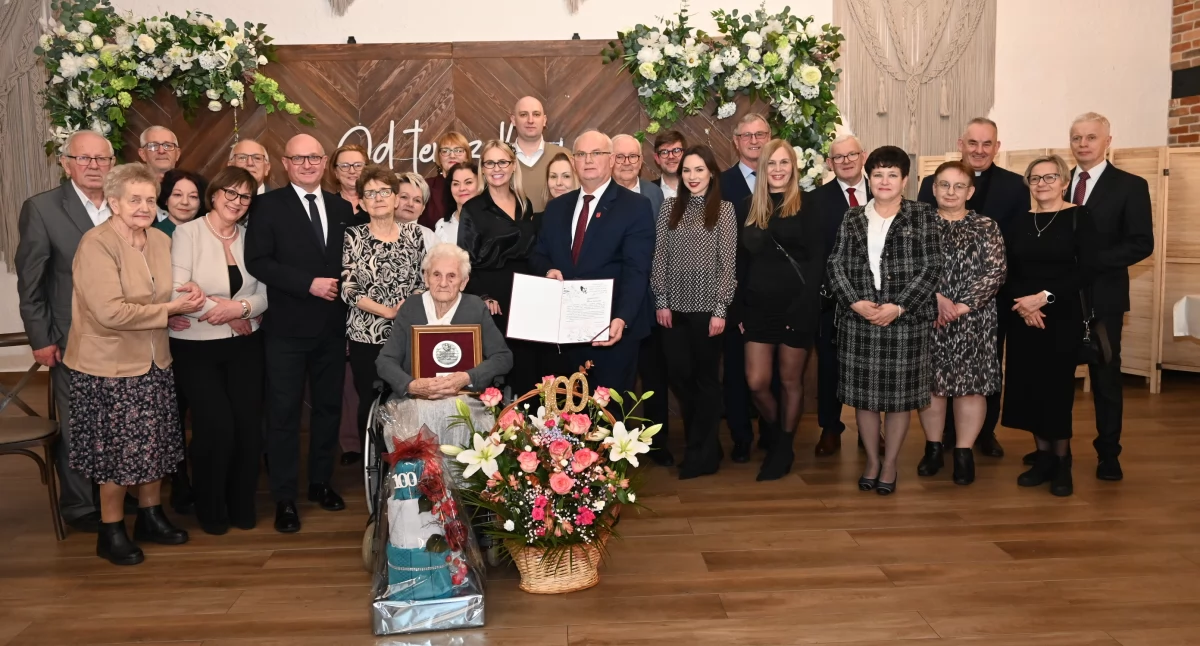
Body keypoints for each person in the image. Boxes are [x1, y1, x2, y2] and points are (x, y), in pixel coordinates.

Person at [64, 162, 205, 564]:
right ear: (113, 202)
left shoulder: (160, 241)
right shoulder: (96, 244)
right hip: (108, 368)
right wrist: (169, 309)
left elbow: (169, 290)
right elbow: (110, 311)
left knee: (155, 445)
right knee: (116, 454)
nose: (143, 207)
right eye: (134, 199)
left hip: (154, 361)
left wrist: (188, 292)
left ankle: (150, 515)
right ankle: (111, 531)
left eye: (148, 199)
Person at [244, 134, 354, 534]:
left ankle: (320, 483)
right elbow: (258, 261)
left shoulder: (343, 207)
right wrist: (306, 283)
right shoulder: (268, 205)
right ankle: (284, 497)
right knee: (284, 414)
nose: (307, 164)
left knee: (327, 409)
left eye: (314, 157)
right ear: (284, 163)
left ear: (325, 162)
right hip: (286, 330)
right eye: (298, 158)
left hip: (331, 328)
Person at [827, 145, 943, 496]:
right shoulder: (853, 217)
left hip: (905, 323)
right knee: (864, 398)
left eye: (892, 174)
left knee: (898, 399)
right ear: (869, 177)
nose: (884, 180)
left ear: (905, 180)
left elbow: (932, 267)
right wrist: (854, 302)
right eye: (878, 174)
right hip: (860, 320)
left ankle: (890, 464)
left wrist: (900, 306)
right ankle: (872, 461)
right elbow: (835, 264)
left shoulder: (923, 215)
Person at [16, 129, 113, 532]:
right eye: (84, 158)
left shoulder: (127, 205)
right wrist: (41, 339)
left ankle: (116, 498)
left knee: (115, 424)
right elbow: (31, 281)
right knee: (78, 426)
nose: (94, 166)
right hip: (69, 338)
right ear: (66, 163)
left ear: (112, 164)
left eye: (101, 159)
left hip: (123, 337)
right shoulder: (43, 209)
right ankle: (79, 506)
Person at [917, 117, 1028, 459]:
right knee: (933, 380)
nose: (979, 150)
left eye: (987, 144)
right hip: (932, 308)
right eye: (973, 143)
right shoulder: (928, 189)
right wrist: (935, 298)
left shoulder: (1015, 186)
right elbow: (916, 254)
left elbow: (1012, 250)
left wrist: (965, 303)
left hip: (988, 302)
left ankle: (984, 434)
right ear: (960, 143)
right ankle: (941, 439)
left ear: (997, 147)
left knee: (981, 376)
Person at [169, 167, 268, 534]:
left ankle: (241, 506)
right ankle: (210, 509)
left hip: (245, 344)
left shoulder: (251, 237)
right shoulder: (187, 233)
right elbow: (179, 290)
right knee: (215, 427)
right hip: (196, 347)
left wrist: (241, 310)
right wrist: (226, 312)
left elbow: (264, 292)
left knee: (247, 429)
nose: (237, 202)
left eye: (245, 197)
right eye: (231, 192)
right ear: (213, 194)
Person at [1057, 112, 1153, 482]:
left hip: (1104, 299)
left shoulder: (1130, 185)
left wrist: (1092, 262)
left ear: (1107, 141)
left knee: (1105, 378)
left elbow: (1142, 242)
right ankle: (1054, 449)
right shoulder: (1055, 182)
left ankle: (1108, 454)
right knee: (1057, 377)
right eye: (1076, 137)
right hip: (1060, 298)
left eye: (1091, 137)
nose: (1083, 144)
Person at [531, 130, 655, 393]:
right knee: (564, 418)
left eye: (596, 153)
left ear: (610, 160)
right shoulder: (556, 208)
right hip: (562, 333)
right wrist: (549, 269)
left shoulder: (635, 206)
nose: (588, 160)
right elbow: (538, 254)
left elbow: (637, 269)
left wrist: (622, 317)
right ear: (574, 161)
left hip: (611, 332)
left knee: (608, 419)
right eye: (581, 154)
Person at [1003, 155, 1099, 497]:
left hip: (1061, 318)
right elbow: (1007, 270)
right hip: (1024, 317)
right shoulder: (1018, 221)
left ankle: (1062, 462)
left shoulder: (1079, 216)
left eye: (1049, 177)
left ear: (1063, 181)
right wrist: (1024, 304)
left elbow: (1086, 270)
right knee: (1029, 388)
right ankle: (1042, 457)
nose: (1042, 184)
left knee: (1056, 391)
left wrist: (1043, 297)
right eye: (1035, 178)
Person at [915, 161, 1007, 486]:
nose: (950, 192)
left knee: (971, 388)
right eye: (944, 185)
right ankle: (934, 448)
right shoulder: (917, 225)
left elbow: (995, 271)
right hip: (929, 317)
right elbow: (909, 269)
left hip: (975, 319)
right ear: (933, 188)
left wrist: (962, 306)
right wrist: (936, 298)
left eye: (958, 186)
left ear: (970, 191)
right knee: (932, 387)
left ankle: (964, 453)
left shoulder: (986, 226)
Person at [739, 140, 824, 481]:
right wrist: (740, 310)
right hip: (758, 309)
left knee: (790, 382)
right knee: (756, 382)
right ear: (762, 168)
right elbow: (741, 263)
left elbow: (818, 261)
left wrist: (806, 308)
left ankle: (783, 447)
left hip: (796, 308)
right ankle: (778, 432)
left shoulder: (809, 205)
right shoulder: (748, 206)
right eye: (770, 163)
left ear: (793, 168)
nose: (777, 169)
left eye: (783, 163)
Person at [650, 144, 736, 479]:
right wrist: (662, 301)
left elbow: (727, 266)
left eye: (699, 170)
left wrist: (720, 309)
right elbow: (660, 259)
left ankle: (702, 454)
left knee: (706, 381)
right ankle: (707, 443)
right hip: (673, 311)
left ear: (711, 172)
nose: (692, 176)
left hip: (707, 312)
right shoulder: (669, 207)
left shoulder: (724, 210)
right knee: (680, 376)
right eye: (687, 171)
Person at [376, 243, 514, 445]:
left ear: (464, 281)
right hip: (414, 401)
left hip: (465, 399)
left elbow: (503, 357)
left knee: (455, 413)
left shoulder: (475, 307)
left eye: (452, 276)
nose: (443, 283)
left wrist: (467, 377)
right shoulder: (411, 307)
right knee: (419, 415)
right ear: (426, 278)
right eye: (436, 275)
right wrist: (412, 385)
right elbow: (385, 361)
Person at [342, 165, 428, 453]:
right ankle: (377, 459)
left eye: (384, 192)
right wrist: (388, 311)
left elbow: (422, 281)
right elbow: (348, 288)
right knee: (370, 401)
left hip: (407, 336)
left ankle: (407, 462)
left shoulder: (414, 235)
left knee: (407, 400)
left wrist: (409, 304)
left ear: (395, 199)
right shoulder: (352, 236)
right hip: (366, 336)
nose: (378, 198)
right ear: (362, 202)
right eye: (371, 193)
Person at [457, 140, 540, 393]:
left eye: (502, 161)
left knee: (528, 367)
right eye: (490, 163)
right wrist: (483, 296)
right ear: (482, 168)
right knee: (498, 369)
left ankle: (527, 429)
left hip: (526, 294)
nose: (497, 168)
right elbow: (465, 260)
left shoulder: (525, 204)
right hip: (493, 297)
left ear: (513, 166)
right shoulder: (473, 208)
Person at [809, 134, 869, 456]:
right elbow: (816, 254)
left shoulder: (883, 192)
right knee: (830, 367)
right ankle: (830, 428)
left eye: (852, 155)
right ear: (830, 163)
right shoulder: (815, 200)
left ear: (864, 156)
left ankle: (870, 431)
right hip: (831, 300)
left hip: (876, 300)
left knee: (870, 367)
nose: (846, 161)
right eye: (839, 157)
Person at [613, 134, 669, 463]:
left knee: (654, 374)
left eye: (632, 157)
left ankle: (658, 444)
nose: (627, 163)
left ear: (642, 161)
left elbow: (662, 244)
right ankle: (614, 445)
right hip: (613, 302)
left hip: (649, 297)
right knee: (617, 379)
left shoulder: (653, 193)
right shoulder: (602, 195)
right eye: (620, 157)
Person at [719, 113, 771, 462]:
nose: (754, 140)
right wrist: (732, 305)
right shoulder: (719, 185)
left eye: (761, 134)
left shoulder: (786, 182)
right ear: (735, 141)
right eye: (747, 135)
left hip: (774, 299)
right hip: (734, 296)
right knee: (736, 372)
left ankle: (772, 433)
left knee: (775, 374)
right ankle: (740, 435)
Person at [511, 96, 570, 212]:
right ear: (513, 120)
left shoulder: (564, 156)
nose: (530, 120)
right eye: (523, 114)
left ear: (544, 120)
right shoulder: (501, 159)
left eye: (536, 114)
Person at [421, 131, 471, 228]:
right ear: (439, 157)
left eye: (459, 150)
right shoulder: (426, 186)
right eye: (445, 151)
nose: (452, 155)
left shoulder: (479, 186)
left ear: (467, 156)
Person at [436, 161, 480, 246]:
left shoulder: (493, 221)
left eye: (468, 182)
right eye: (456, 184)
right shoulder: (442, 226)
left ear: (480, 185)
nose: (462, 188)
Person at [154, 169, 208, 237]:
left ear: (200, 203)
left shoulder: (208, 234)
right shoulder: (154, 234)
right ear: (166, 199)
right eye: (177, 195)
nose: (185, 202)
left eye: (193, 196)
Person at [395, 172, 438, 250]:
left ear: (423, 208)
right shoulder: (373, 232)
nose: (410, 204)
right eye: (404, 197)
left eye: (417, 200)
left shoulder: (430, 238)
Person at [325, 144, 368, 216]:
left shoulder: (377, 202)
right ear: (335, 172)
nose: (352, 171)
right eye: (344, 166)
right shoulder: (326, 206)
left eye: (358, 165)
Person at [651, 130, 688, 200]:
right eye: (664, 152)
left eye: (676, 151)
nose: (671, 157)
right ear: (657, 158)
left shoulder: (697, 188)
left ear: (685, 155)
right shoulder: (647, 192)